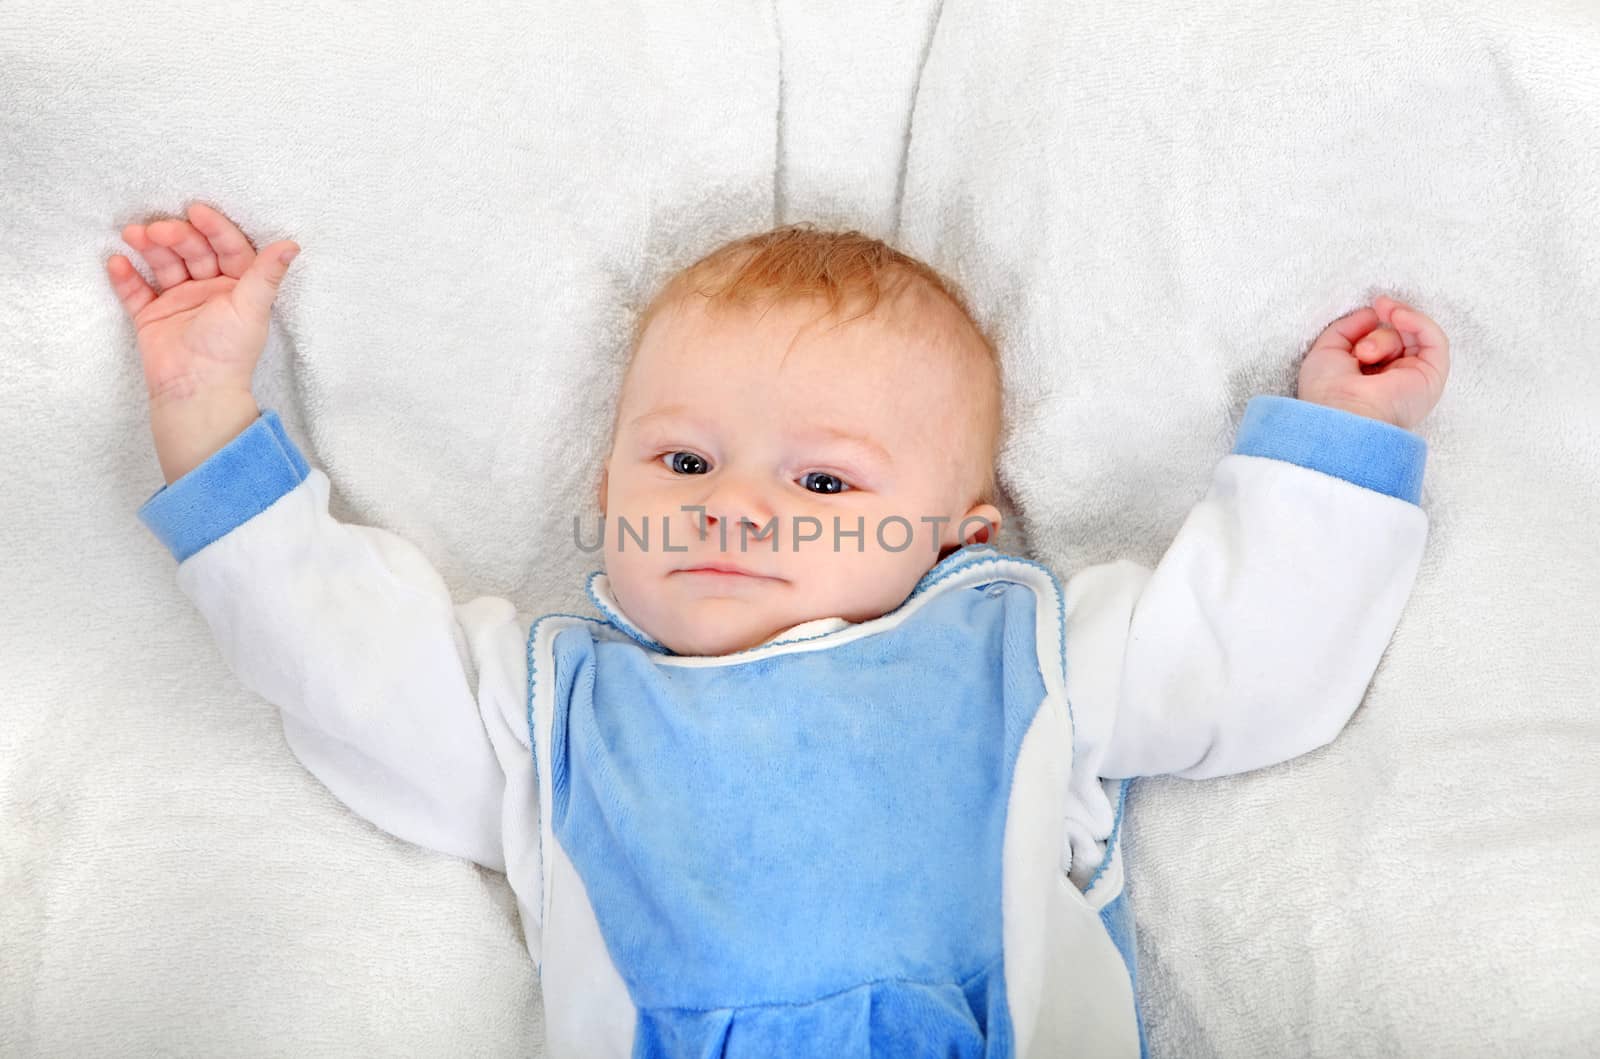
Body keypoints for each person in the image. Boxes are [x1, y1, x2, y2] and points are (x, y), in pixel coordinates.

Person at [109, 202, 1450, 1058]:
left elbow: (1248, 660)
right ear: (606, 497)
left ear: (959, 532)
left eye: (823, 484)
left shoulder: (1017, 654)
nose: (737, 508)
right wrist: (204, 404)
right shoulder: (551, 708)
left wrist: (1336, 447)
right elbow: (338, 659)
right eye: (682, 463)